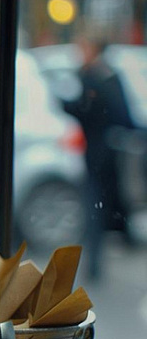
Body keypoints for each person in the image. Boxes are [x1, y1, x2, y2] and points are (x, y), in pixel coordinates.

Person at [62, 35, 136, 280]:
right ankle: (104, 252)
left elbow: (90, 111)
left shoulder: (95, 77)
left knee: (96, 205)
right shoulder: (104, 76)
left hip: (99, 153)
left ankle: (96, 260)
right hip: (105, 151)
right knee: (104, 203)